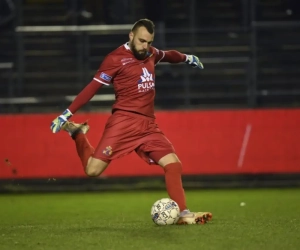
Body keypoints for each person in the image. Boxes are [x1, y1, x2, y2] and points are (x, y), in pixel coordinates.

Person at [50, 18, 212, 225]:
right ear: (131, 36)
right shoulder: (115, 59)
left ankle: (183, 214)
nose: (146, 47)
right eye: (142, 41)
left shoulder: (150, 52)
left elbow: (168, 55)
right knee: (92, 171)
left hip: (148, 125)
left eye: (149, 42)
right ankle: (78, 133)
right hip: (123, 122)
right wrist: (67, 114)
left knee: (173, 165)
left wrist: (186, 58)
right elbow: (92, 88)